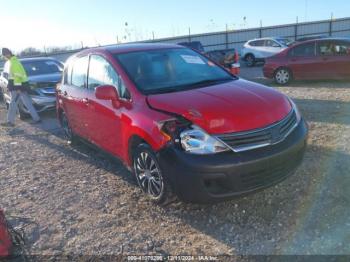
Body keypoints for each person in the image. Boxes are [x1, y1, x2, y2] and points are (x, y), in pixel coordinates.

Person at [0, 48, 41, 127]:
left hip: (17, 87)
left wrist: (18, 88)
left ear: (7, 54)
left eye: (4, 55)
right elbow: (13, 77)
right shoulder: (13, 61)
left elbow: (18, 76)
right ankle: (37, 119)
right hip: (19, 86)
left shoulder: (13, 62)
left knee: (13, 104)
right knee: (27, 103)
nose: (4, 57)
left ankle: (10, 122)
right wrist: (10, 86)